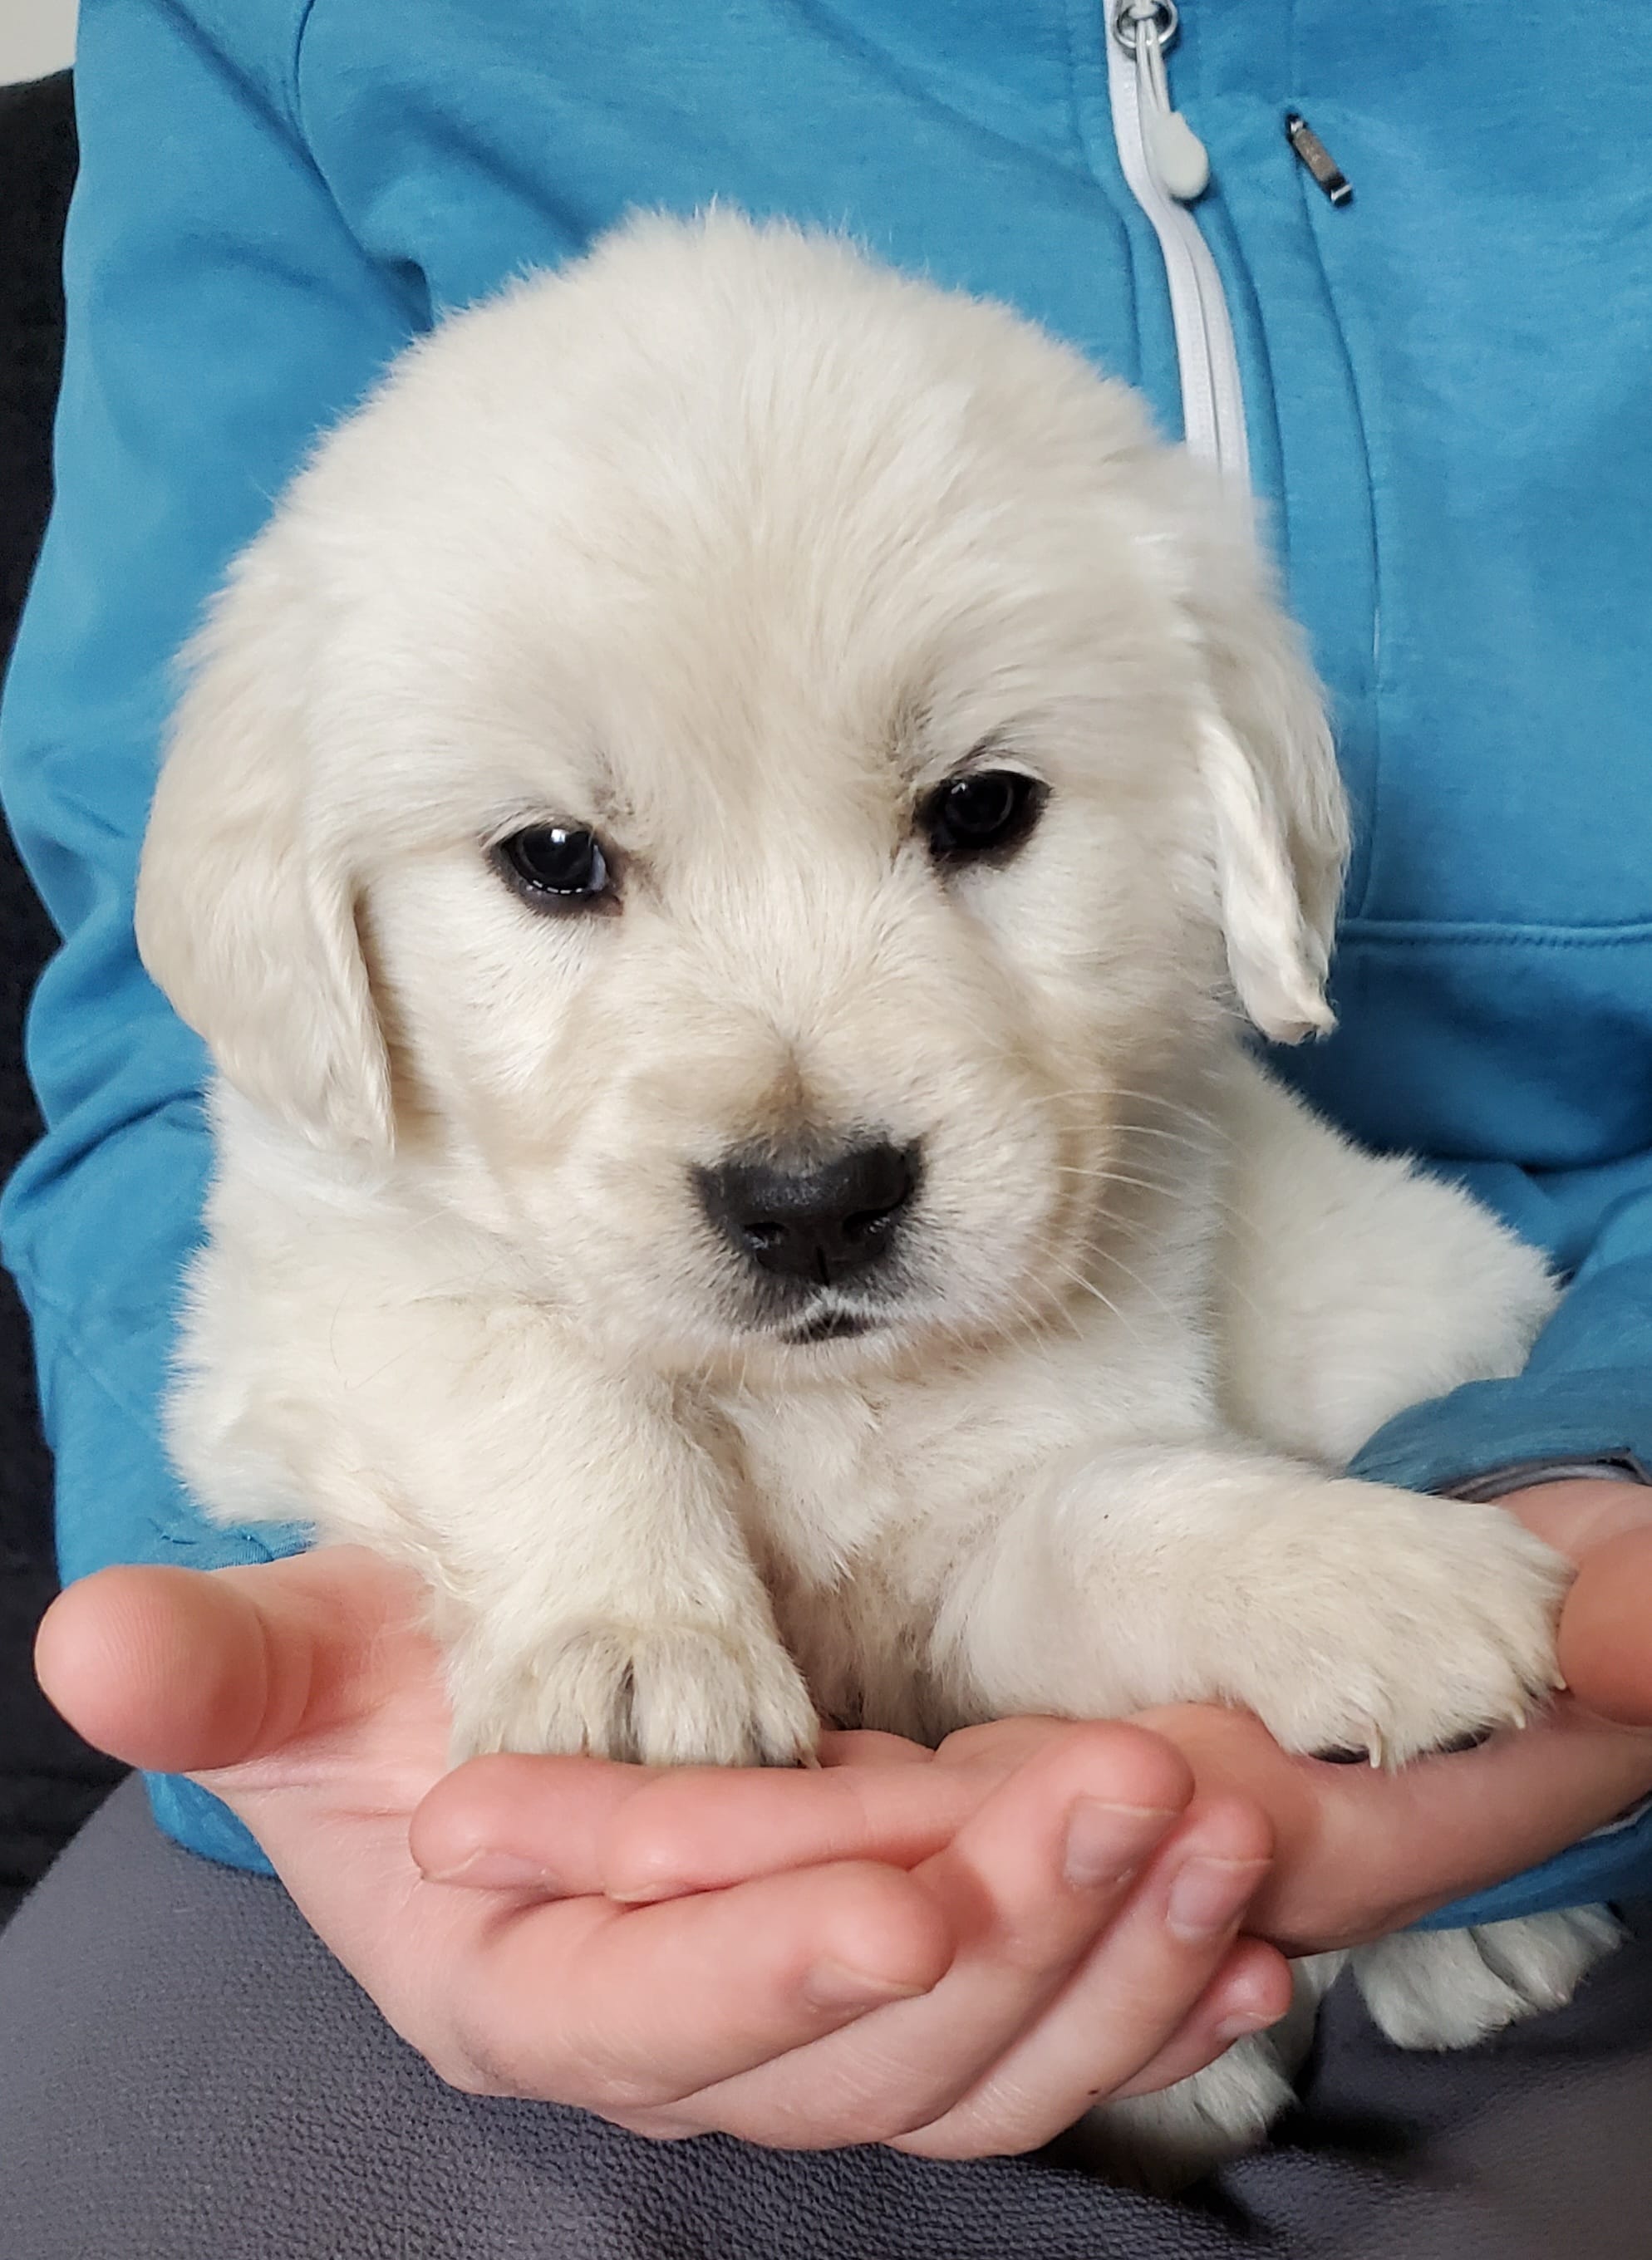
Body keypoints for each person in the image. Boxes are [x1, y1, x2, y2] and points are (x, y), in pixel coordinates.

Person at [2, 2, 1652, 2253]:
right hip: (456, 1787)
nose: (807, 1137)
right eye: (559, 867)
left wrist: (1462, 1497)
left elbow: (1042, 1527)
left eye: (977, 812)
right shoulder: (283, 60)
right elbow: (258, 1250)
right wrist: (582, 1569)